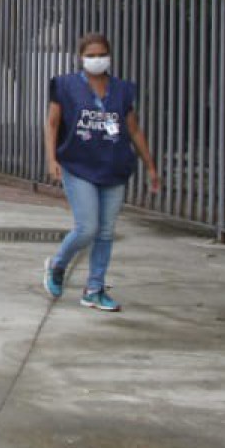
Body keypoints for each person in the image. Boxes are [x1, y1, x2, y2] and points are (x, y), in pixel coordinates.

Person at [42, 33, 162, 312]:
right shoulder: (65, 86)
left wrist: (151, 166)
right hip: (77, 165)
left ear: (109, 56)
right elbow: (52, 123)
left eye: (101, 54)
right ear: (81, 57)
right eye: (91, 55)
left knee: (106, 231)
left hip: (113, 167)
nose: (97, 60)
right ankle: (58, 265)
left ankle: (94, 288)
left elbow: (132, 129)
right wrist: (51, 159)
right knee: (87, 227)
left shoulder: (121, 90)